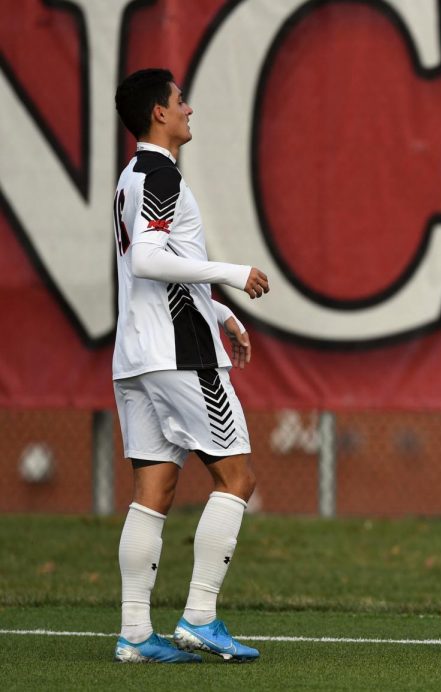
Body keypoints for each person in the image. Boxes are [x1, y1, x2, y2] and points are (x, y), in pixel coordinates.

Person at [111, 68, 269, 664]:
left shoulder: (133, 175)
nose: (189, 109)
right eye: (181, 101)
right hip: (178, 355)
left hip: (137, 354)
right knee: (238, 478)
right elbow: (151, 260)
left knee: (154, 489)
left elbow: (159, 261)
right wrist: (231, 273)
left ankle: (133, 635)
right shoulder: (159, 174)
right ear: (158, 112)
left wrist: (219, 311)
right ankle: (200, 617)